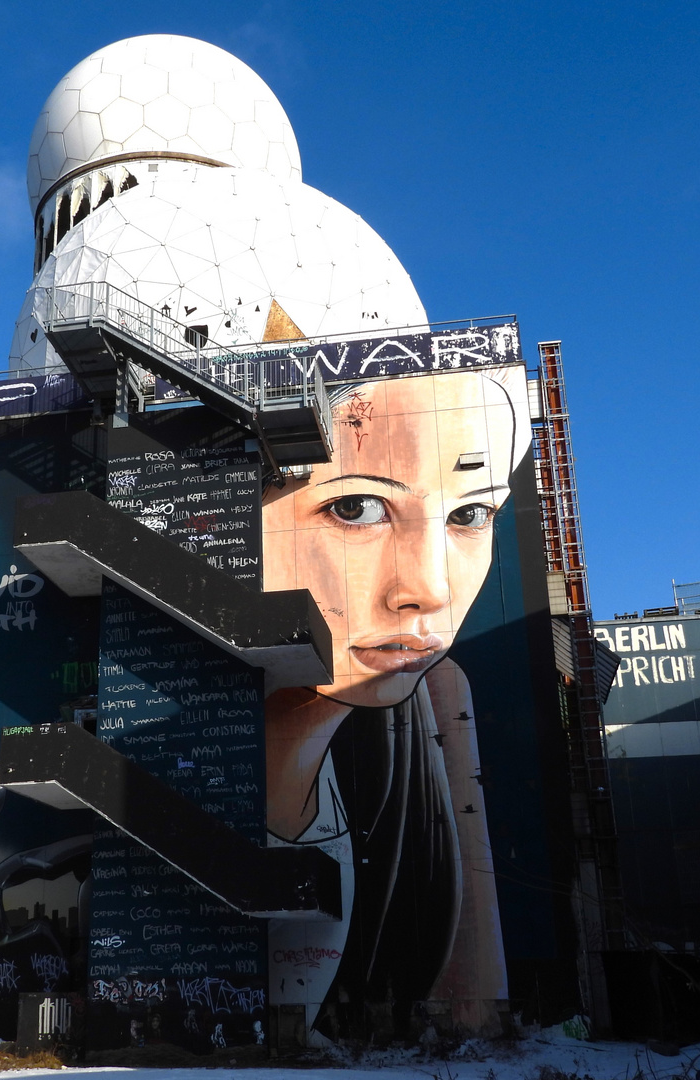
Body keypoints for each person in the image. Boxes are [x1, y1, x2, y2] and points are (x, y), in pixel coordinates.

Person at [261, 367, 529, 1039]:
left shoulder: (434, 715)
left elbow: (468, 982)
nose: (429, 590)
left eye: (469, 514)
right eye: (354, 508)